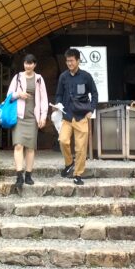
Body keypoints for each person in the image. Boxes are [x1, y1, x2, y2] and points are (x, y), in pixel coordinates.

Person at [54, 47, 98, 186]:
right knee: (63, 140)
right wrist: (57, 104)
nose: (69, 64)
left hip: (81, 116)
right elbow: (59, 94)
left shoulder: (86, 76)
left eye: (72, 61)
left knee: (80, 148)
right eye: (67, 61)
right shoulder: (63, 77)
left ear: (78, 60)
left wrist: (91, 109)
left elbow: (95, 94)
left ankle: (78, 174)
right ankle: (69, 163)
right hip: (67, 115)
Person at [7, 54, 48, 188]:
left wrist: (43, 116)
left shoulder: (39, 79)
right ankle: (19, 175)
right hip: (19, 116)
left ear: (35, 65)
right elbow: (9, 95)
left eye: (30, 63)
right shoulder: (18, 77)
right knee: (18, 145)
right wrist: (19, 94)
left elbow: (43, 99)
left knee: (30, 148)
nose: (28, 65)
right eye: (26, 63)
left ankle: (28, 175)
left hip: (32, 117)